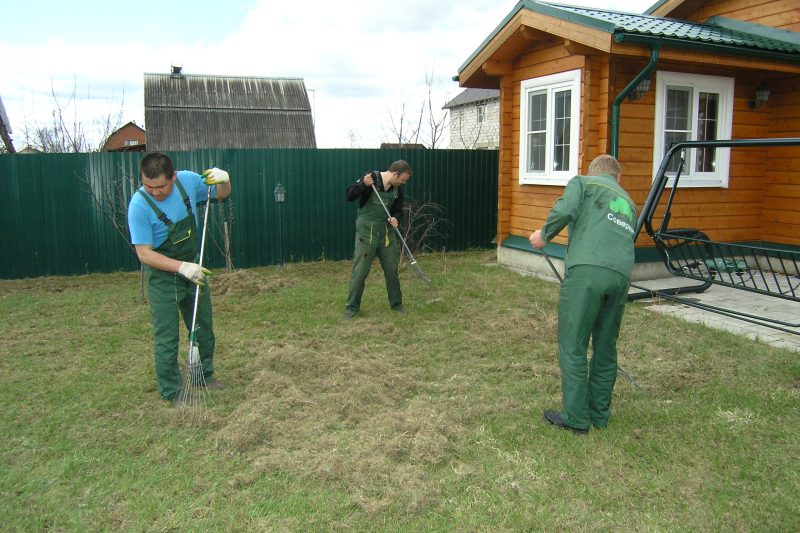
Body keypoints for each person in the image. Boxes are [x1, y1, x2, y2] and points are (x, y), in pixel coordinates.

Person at [529, 154, 636, 435]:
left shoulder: (583, 183)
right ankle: (599, 414)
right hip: (621, 276)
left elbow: (567, 209)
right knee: (605, 345)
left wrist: (545, 234)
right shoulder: (629, 202)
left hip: (588, 272)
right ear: (618, 177)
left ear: (593, 172)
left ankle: (576, 418)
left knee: (573, 342)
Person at [127, 152, 232, 404]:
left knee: (202, 326)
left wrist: (225, 180)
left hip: (193, 271)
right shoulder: (139, 206)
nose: (155, 192)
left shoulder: (188, 181)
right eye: (148, 186)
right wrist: (181, 267)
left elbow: (221, 194)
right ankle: (172, 390)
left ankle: (203, 376)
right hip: (163, 276)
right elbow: (144, 254)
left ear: (173, 176)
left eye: (161, 186)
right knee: (167, 335)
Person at [343, 160, 412, 319]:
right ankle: (352, 307)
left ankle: (396, 304)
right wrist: (362, 186)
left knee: (391, 271)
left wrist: (396, 218)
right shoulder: (370, 179)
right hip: (367, 234)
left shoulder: (397, 190)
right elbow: (349, 195)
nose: (403, 183)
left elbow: (398, 210)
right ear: (395, 173)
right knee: (360, 272)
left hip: (386, 235)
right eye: (402, 179)